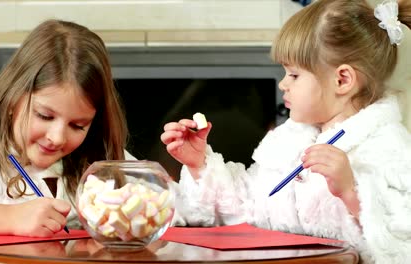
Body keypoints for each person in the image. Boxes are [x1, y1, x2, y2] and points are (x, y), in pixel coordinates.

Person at [161, 0, 411, 262]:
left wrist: (351, 192)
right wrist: (199, 164)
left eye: (294, 75)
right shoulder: (288, 140)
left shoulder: (388, 148)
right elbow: (247, 207)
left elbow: (402, 242)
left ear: (342, 80)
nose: (283, 84)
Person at [0, 19, 132, 237]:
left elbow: (173, 208)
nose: (58, 137)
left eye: (78, 125)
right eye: (44, 116)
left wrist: (182, 161)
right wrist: (8, 218)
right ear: (13, 100)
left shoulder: (101, 160)